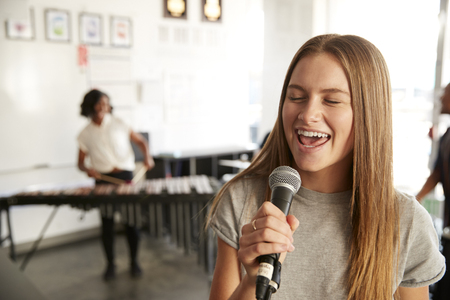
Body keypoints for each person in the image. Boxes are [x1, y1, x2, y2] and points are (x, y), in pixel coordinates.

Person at [207, 34, 446, 300]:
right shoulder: (241, 199)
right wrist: (252, 283)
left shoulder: (406, 221)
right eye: (296, 96)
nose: (308, 114)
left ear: (370, 114)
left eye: (331, 100)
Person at [77, 89, 155, 281]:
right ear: (90, 106)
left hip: (126, 177)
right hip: (103, 180)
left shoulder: (119, 123)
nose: (104, 107)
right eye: (100, 103)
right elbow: (80, 162)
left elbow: (141, 142)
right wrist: (87, 169)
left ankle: (134, 262)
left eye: (106, 103)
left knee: (131, 222)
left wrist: (147, 157)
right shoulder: (84, 134)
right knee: (107, 224)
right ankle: (110, 265)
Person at [416, 82, 450, 229]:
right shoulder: (447, 136)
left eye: (446, 93)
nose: (441, 98)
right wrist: (416, 200)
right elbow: (437, 173)